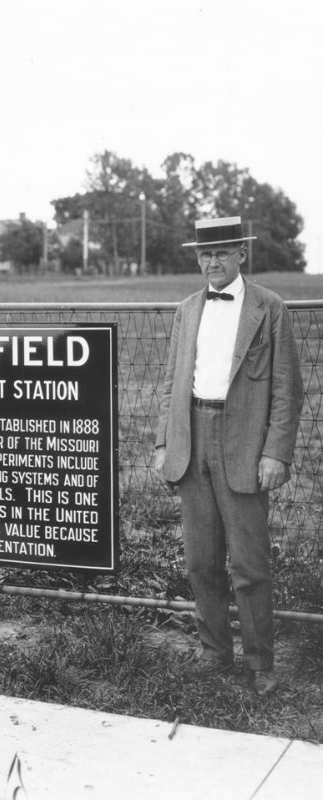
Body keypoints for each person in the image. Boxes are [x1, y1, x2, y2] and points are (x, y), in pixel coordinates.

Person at [155, 216, 302, 697]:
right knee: (200, 560)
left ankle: (261, 664)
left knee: (249, 563)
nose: (211, 262)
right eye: (203, 254)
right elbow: (171, 383)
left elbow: (286, 390)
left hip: (243, 444)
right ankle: (214, 654)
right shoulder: (186, 309)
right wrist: (163, 443)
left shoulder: (269, 307)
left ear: (242, 253)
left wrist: (275, 452)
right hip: (191, 437)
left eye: (220, 252)